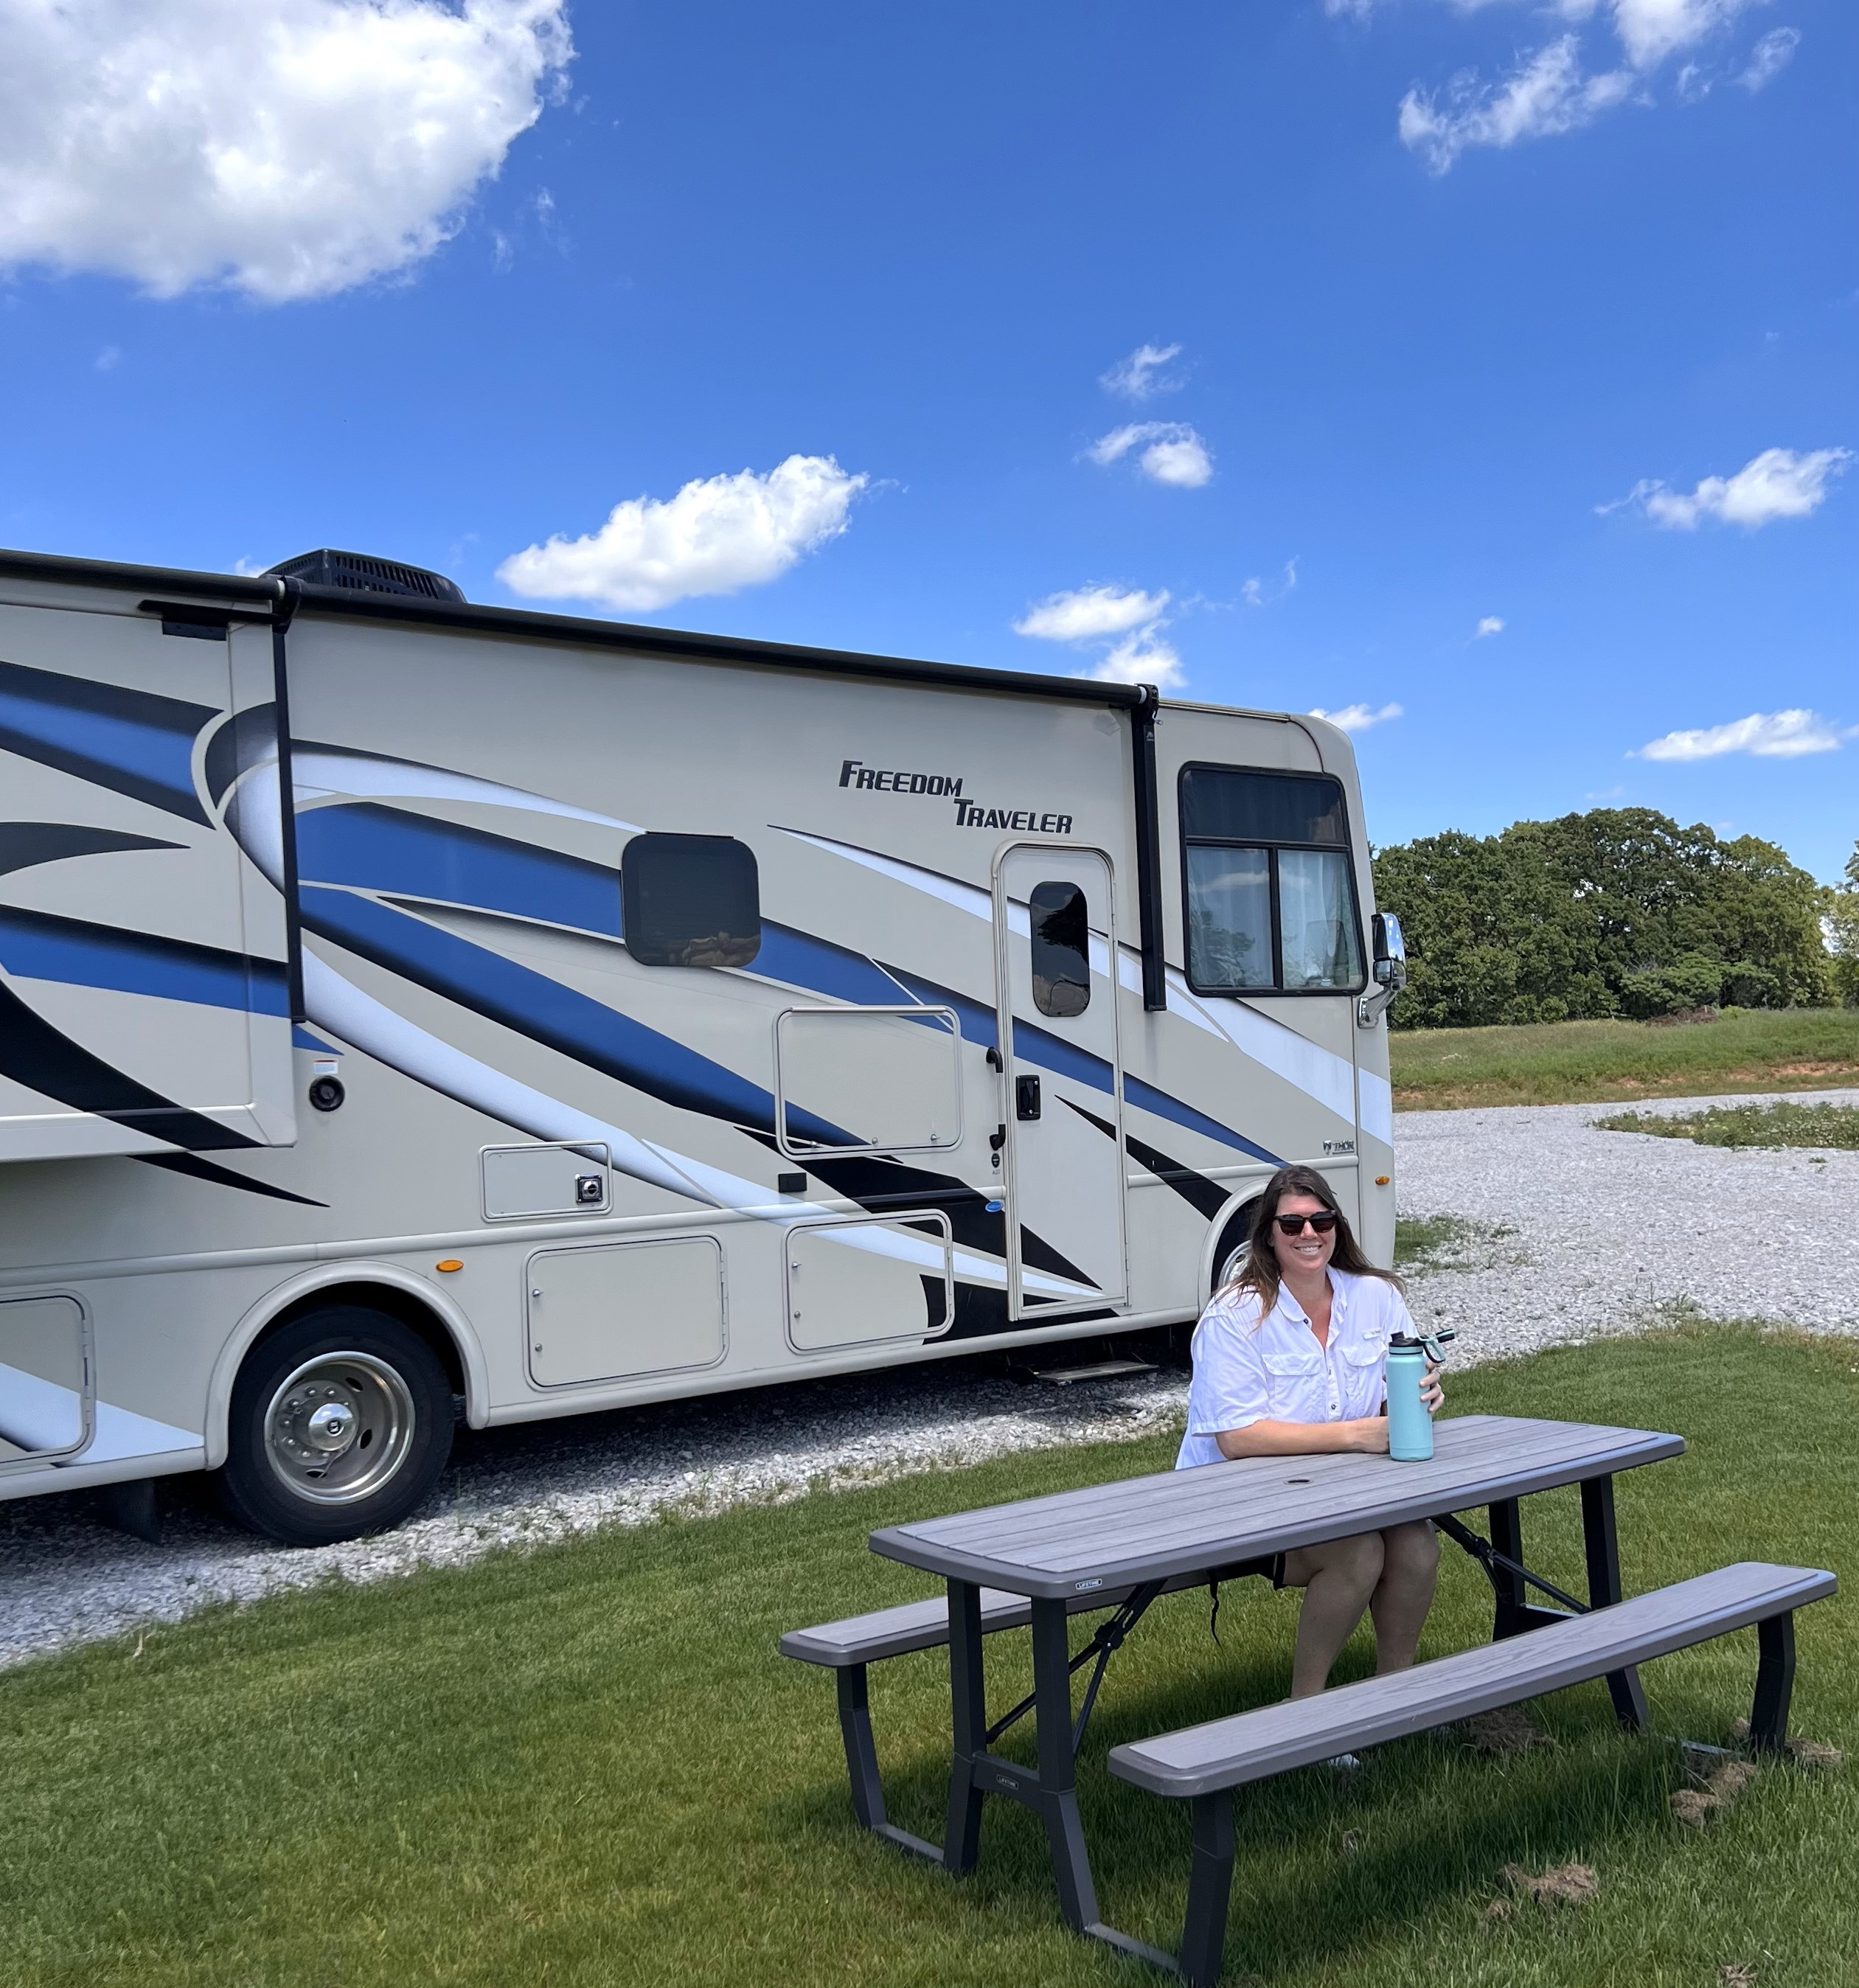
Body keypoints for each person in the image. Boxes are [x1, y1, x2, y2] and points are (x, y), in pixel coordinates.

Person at [1177, 1164, 1445, 1702]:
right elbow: (1237, 1439)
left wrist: (1423, 1395)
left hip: (1339, 1492)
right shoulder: (1234, 1315)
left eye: (1320, 1221)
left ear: (1337, 1227)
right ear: (1267, 1236)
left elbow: (1397, 1393)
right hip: (1232, 1502)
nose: (1308, 1235)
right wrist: (1357, 1436)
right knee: (1357, 1552)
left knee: (1416, 1544)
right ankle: (1306, 1713)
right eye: (1292, 1224)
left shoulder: (1376, 1295)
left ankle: (1395, 1694)